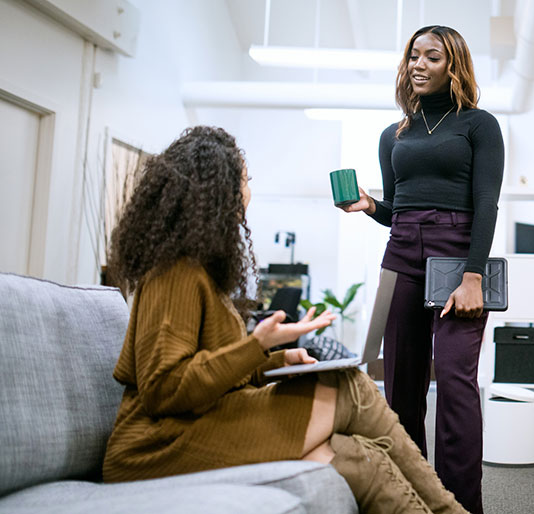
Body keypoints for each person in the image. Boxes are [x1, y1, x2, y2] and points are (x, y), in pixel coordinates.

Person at [102, 125, 469, 514]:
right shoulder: (175, 273)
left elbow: (214, 373)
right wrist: (255, 345)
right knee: (352, 388)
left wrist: (276, 360)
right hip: (155, 446)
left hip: (201, 421)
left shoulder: (202, 270)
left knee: (361, 457)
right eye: (244, 180)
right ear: (216, 191)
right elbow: (165, 390)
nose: (248, 191)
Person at [340, 26, 505, 514]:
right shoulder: (393, 135)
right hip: (402, 256)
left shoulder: (479, 125)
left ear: (452, 66)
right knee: (400, 387)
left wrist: (473, 275)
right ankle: (410, 499)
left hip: (458, 258)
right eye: (413, 55)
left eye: (431, 56)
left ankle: (459, 506)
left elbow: (486, 203)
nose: (418, 64)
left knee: (455, 382)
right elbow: (399, 209)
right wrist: (371, 205)